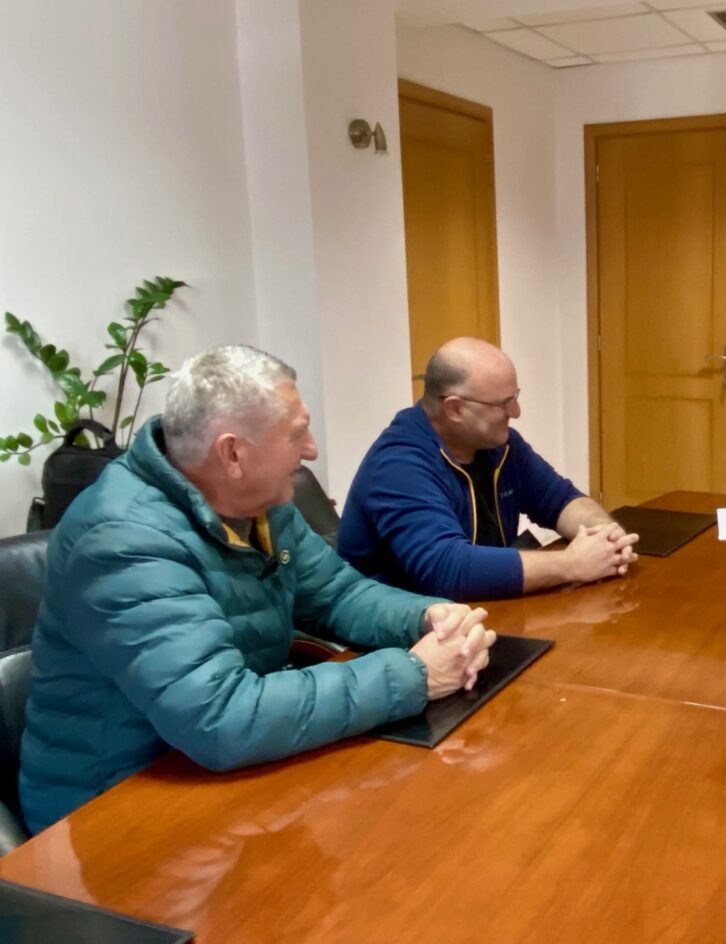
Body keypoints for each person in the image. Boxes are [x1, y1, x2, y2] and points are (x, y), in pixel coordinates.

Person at [20, 346, 496, 834]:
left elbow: (337, 594)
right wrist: (415, 675)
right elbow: (219, 717)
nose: (311, 449)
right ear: (233, 453)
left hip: (216, 768)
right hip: (111, 809)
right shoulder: (124, 539)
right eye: (296, 434)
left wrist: (429, 616)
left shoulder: (260, 501)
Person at [339, 337, 638, 601]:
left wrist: (607, 536)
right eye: (504, 404)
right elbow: (447, 570)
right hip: (405, 634)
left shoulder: (501, 446)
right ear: (454, 408)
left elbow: (561, 500)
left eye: (515, 398)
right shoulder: (398, 465)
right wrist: (572, 564)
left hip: (480, 613)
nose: (516, 413)